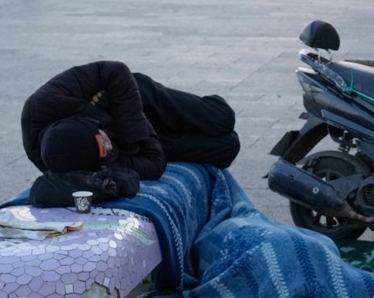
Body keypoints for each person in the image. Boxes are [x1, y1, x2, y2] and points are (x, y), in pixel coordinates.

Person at [21, 60, 240, 206]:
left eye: (102, 139)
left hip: (135, 100)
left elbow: (115, 71)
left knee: (222, 118)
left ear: (83, 121)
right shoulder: (75, 164)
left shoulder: (44, 103)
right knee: (227, 148)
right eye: (104, 151)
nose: (108, 146)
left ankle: (205, 107)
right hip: (143, 139)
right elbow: (153, 165)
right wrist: (133, 145)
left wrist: (128, 141)